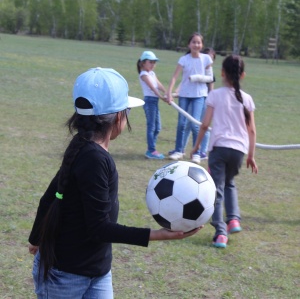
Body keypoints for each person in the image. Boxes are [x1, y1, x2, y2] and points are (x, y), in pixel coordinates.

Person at [28, 67, 201, 298]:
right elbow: (98, 227)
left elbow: (51, 196)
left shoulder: (81, 145)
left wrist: (35, 237)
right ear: (119, 116)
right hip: (66, 275)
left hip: (97, 271)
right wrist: (160, 235)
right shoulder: (94, 159)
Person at [190, 55, 258, 248]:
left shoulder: (215, 95)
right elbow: (251, 129)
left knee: (216, 190)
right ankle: (234, 220)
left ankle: (220, 233)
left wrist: (196, 147)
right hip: (238, 151)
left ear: (222, 73)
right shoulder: (247, 99)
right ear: (242, 75)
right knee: (229, 184)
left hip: (219, 149)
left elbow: (204, 125)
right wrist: (251, 155)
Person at [166, 33, 213, 164]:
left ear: (202, 45)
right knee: (181, 124)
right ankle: (178, 151)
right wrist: (169, 92)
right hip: (184, 95)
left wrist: (199, 79)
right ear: (189, 44)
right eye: (194, 42)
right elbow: (175, 76)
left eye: (198, 42)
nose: (196, 45)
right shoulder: (183, 59)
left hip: (199, 95)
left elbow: (210, 78)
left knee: (195, 124)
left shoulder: (206, 59)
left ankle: (196, 153)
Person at [137, 51, 166, 159]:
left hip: (155, 101)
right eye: (151, 62)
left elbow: (158, 85)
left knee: (157, 127)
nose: (153, 64)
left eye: (154, 62)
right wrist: (161, 97)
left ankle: (151, 149)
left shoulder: (152, 74)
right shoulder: (144, 74)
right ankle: (151, 150)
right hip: (149, 102)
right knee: (152, 127)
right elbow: (152, 88)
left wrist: (166, 92)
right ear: (143, 63)